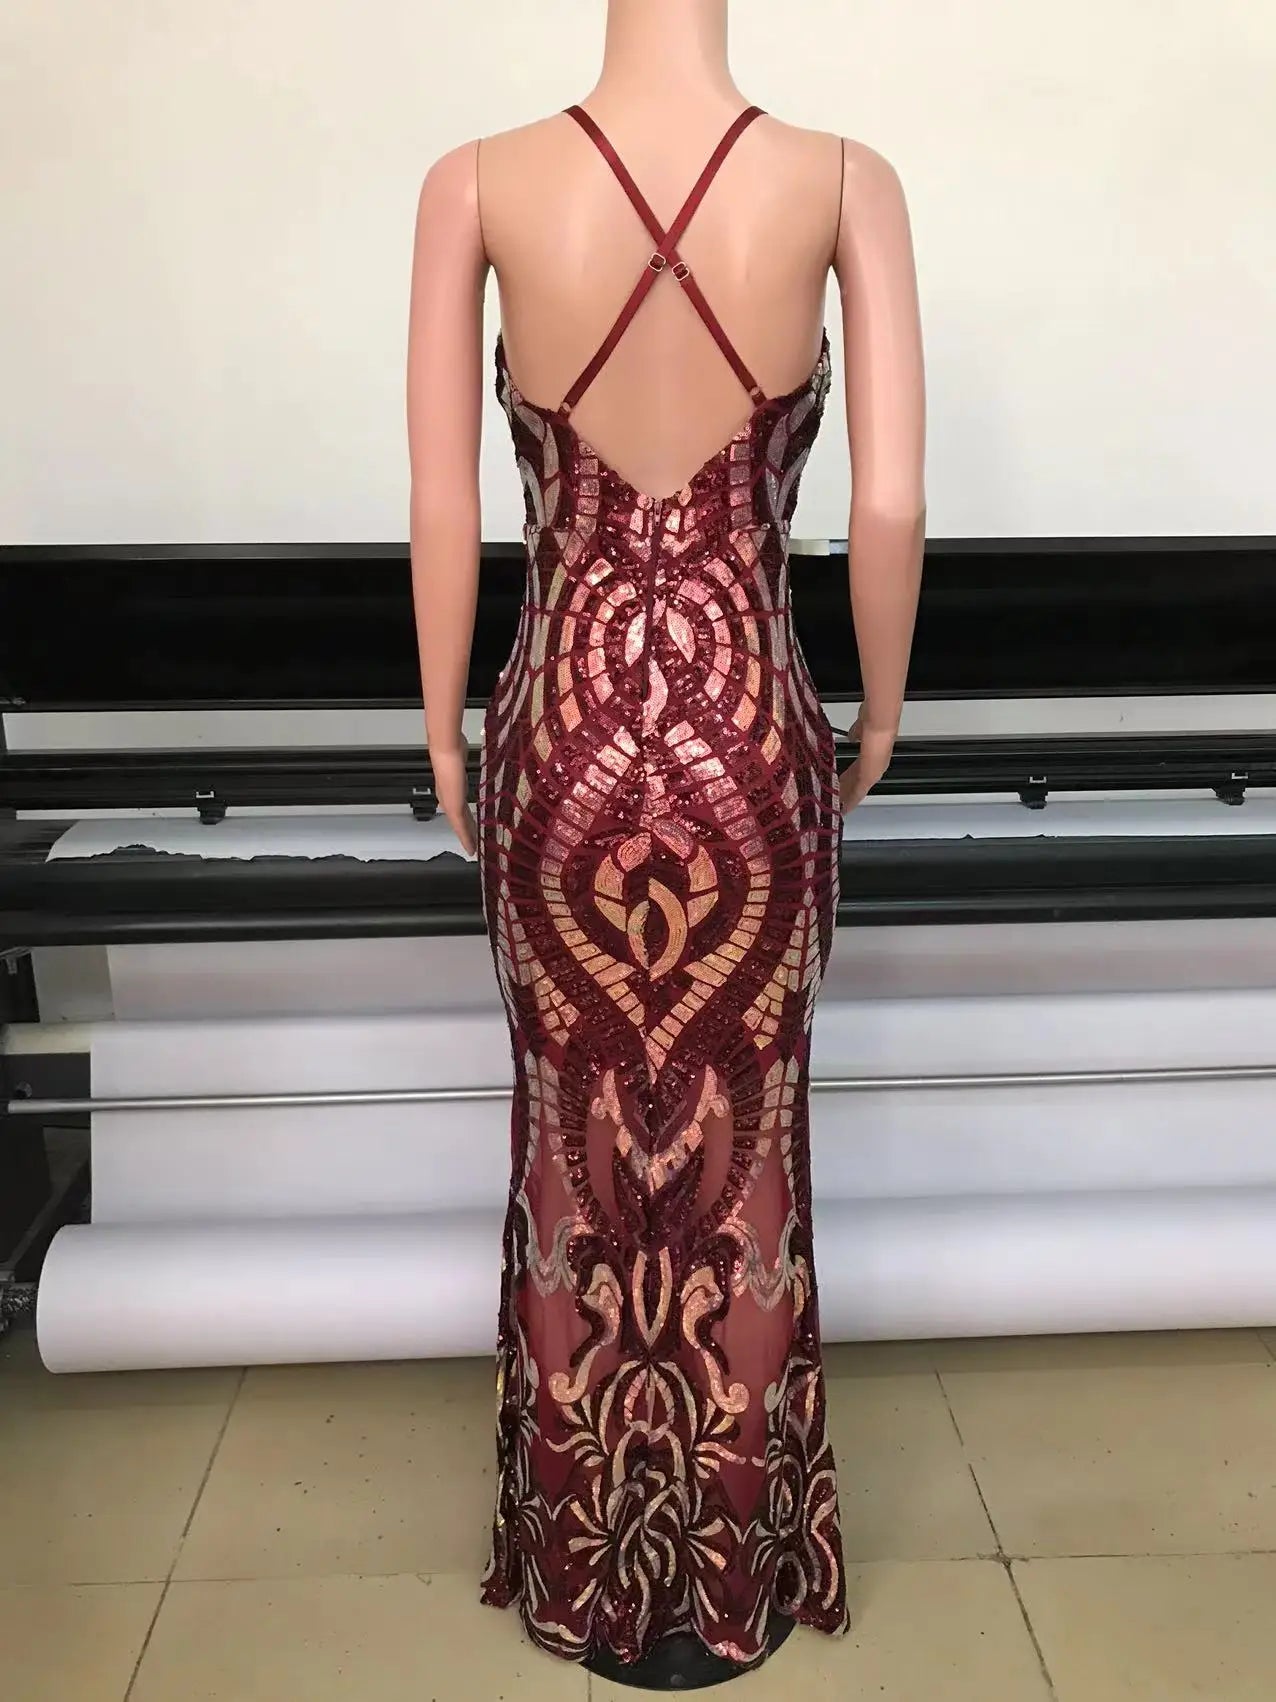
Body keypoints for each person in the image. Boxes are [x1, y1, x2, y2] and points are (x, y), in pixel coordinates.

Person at [406, 0, 926, 1684]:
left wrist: (443, 731)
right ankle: (731, 1571)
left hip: (557, 737)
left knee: (569, 1153)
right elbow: (893, 506)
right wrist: (881, 715)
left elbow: (442, 503)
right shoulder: (842, 179)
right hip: (750, 738)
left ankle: (583, 1563)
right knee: (748, 1159)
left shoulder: (474, 183)